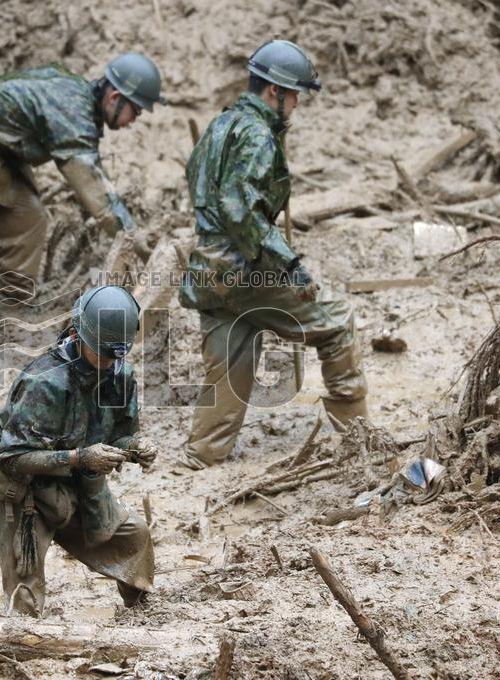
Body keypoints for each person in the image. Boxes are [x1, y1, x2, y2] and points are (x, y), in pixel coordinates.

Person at [177, 40, 369, 470]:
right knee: (336, 323)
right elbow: (238, 206)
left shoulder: (220, 125)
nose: (298, 103)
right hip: (245, 269)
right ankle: (359, 439)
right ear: (274, 92)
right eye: (295, 94)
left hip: (207, 268)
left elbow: (199, 184)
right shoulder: (258, 134)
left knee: (231, 356)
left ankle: (203, 452)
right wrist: (290, 264)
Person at [0, 285, 158, 616]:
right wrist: (80, 458)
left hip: (76, 481)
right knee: (24, 597)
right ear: (78, 337)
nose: (110, 363)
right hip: (22, 490)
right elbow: (12, 459)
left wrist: (133, 447)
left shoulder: (119, 374)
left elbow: (120, 433)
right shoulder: (45, 381)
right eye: (103, 353)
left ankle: (141, 613)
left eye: (116, 355)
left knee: (133, 537)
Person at [0, 53, 164, 306]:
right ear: (115, 98)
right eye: (136, 111)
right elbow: (97, 195)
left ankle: (8, 308)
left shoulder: (76, 99)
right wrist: (135, 240)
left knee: (27, 221)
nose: (133, 122)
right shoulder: (72, 112)